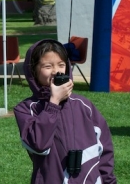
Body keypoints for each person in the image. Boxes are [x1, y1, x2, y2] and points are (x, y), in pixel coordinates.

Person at [13, 39, 116, 184]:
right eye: (48, 66)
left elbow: (105, 148)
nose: (56, 71)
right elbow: (39, 145)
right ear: (33, 71)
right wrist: (53, 103)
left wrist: (108, 180)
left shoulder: (83, 105)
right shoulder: (26, 109)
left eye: (61, 65)